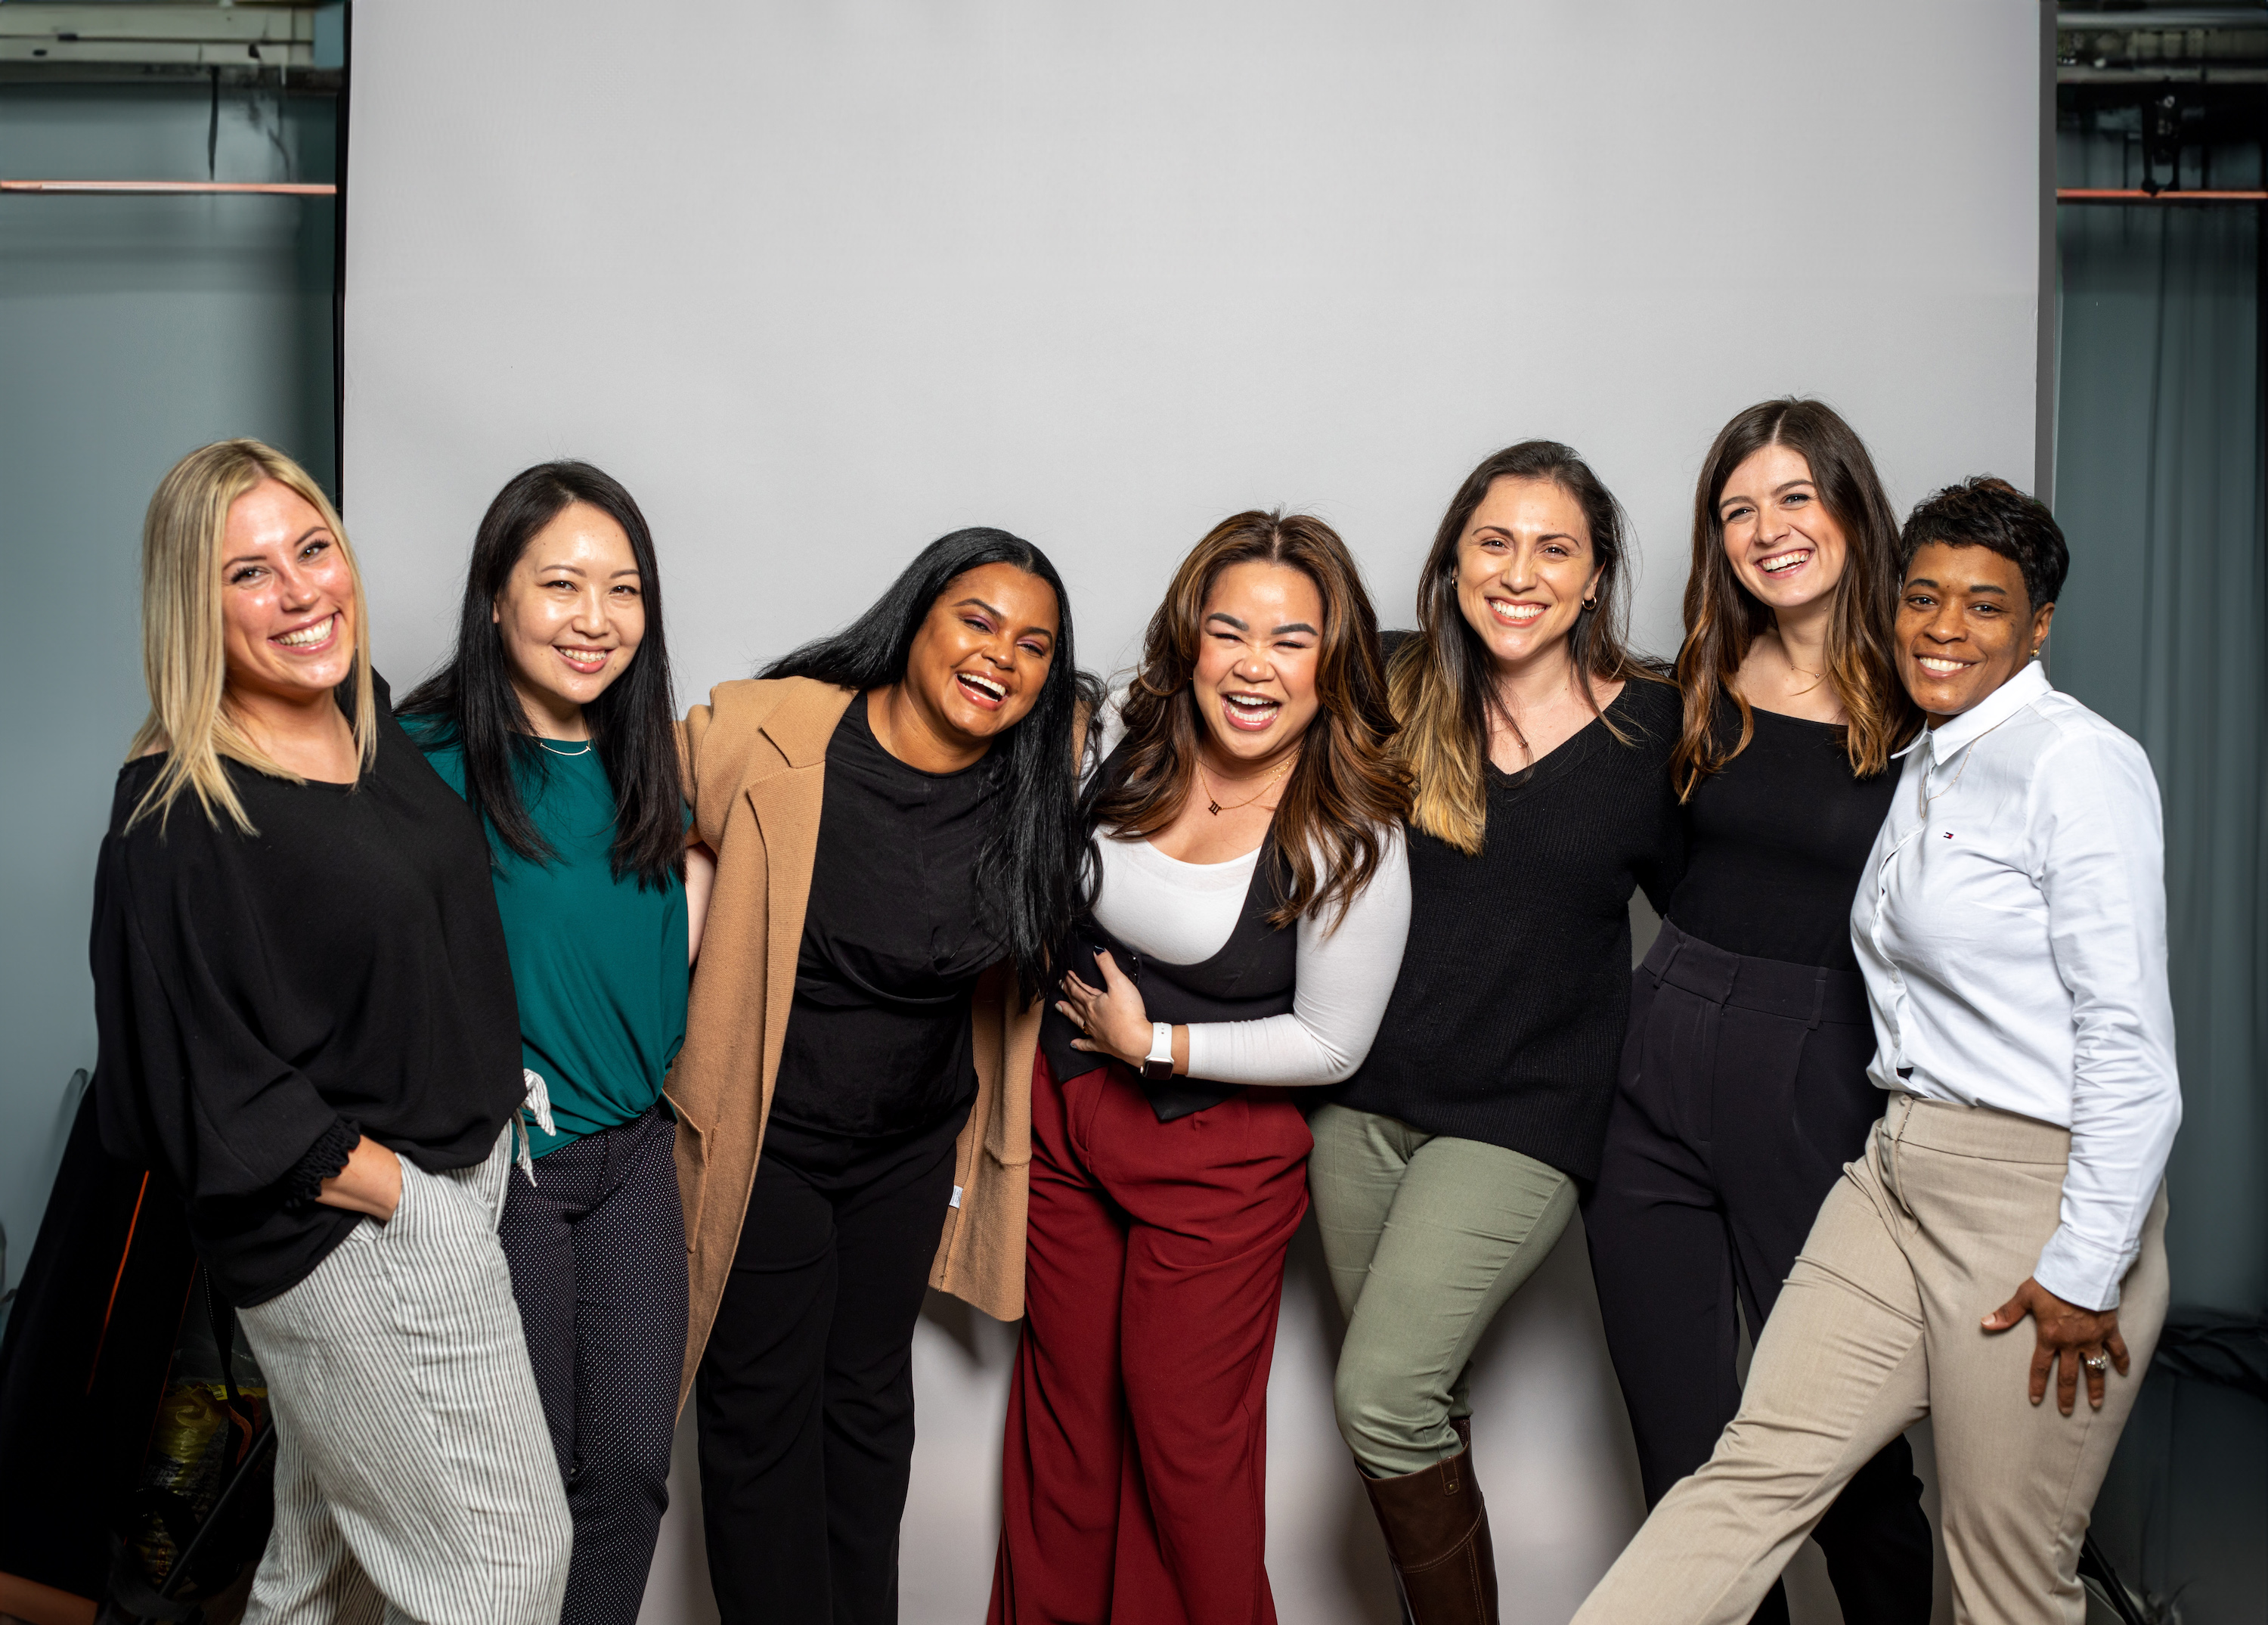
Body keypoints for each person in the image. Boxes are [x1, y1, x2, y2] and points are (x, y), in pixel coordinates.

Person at [1572, 478, 2180, 1625]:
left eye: (1986, 605)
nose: (1945, 627)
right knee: (1749, 1480)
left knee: (2002, 1573)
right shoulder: (1928, 753)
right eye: (1923, 596)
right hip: (1896, 1175)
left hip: (2033, 1201)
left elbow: (2129, 1041)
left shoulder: (2075, 763)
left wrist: (2086, 1263)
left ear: (2039, 625)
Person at [89, 439, 570, 1623]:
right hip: (355, 1231)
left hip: (446, 1180)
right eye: (249, 573)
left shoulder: (360, 717)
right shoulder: (174, 815)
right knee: (508, 1567)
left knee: (322, 1569)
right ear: (194, 608)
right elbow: (195, 1078)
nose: (302, 591)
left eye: (313, 549)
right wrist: (403, 1197)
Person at [988, 510, 1412, 1625]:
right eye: (1230, 632)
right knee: (1067, 1421)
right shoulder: (1123, 747)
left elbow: (1334, 1041)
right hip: (1068, 1118)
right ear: (1191, 642)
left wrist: (1160, 1047)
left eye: (1290, 640)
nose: (1254, 665)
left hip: (1216, 1163)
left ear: (1332, 662)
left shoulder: (1349, 834)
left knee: (1186, 1449)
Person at [673, 529, 1092, 1625]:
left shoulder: (1037, 777)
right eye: (978, 620)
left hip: (910, 1149)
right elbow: (614, 798)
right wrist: (691, 890)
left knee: (866, 1408)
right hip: (769, 1136)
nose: (1002, 655)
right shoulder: (775, 732)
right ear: (916, 619)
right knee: (761, 1412)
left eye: (1035, 645)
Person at [1308, 442, 1679, 1623]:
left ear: (1596, 574)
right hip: (1357, 1109)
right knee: (1420, 1406)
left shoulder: (1657, 729)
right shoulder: (1390, 683)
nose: (1520, 574)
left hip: (1523, 1120)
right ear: (1454, 559)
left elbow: (1725, 916)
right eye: (1495, 542)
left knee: (1379, 1391)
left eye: (1554, 548)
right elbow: (1225, 697)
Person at [1582, 400, 1934, 1625]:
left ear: (1852, 507)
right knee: (1686, 1455)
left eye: (1795, 497)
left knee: (1840, 1452)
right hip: (1659, 1061)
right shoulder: (1696, 682)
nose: (1768, 529)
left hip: (1823, 1072)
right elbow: (1663, 867)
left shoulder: (1930, 690)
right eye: (1738, 509)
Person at [398, 461, 714, 1623]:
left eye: (623, 589)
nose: (596, 618)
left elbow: (663, 894)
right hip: (507, 1167)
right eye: (562, 584)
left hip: (633, 1154)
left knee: (629, 1468)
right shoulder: (424, 759)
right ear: (497, 596)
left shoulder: (645, 755)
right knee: (515, 1489)